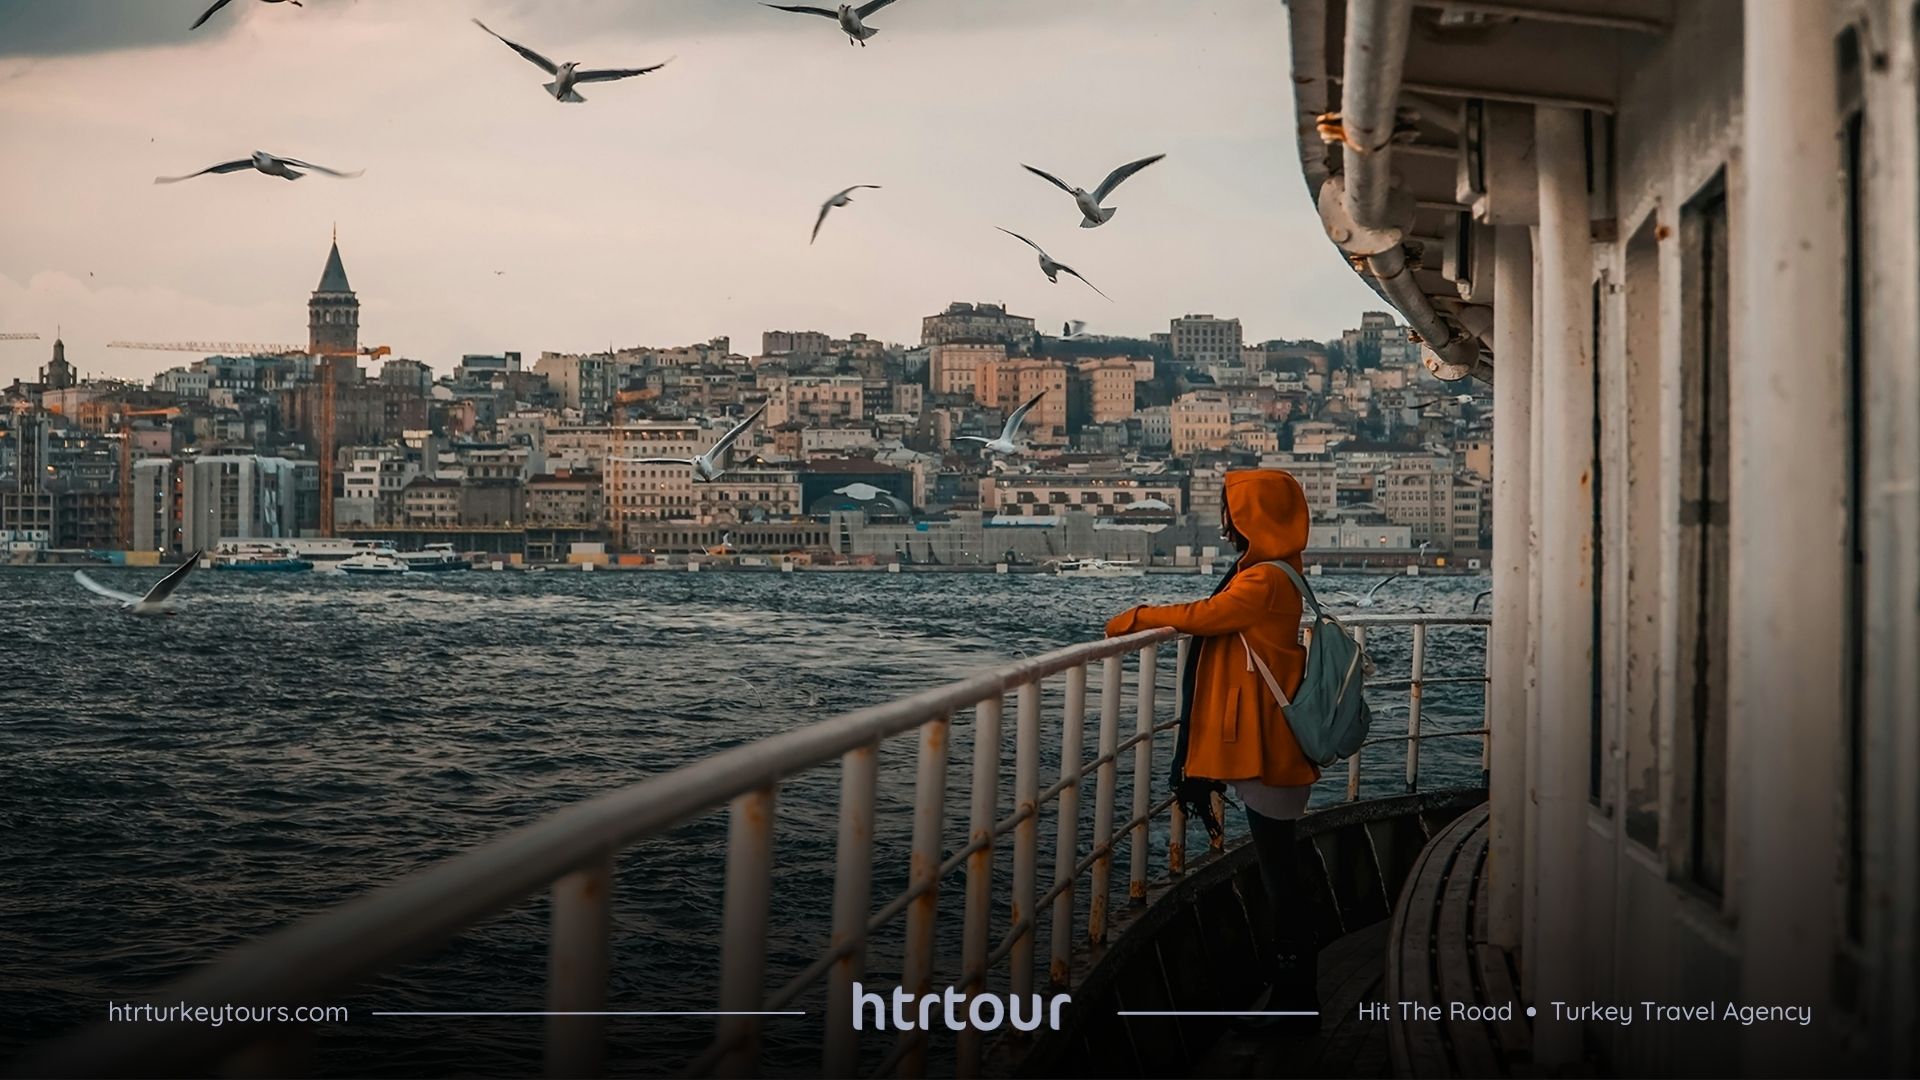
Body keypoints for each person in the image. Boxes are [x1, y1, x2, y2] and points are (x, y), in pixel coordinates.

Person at [1103, 468, 1319, 1032]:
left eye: (1231, 509)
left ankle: (1297, 1000)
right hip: (1274, 742)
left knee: (1281, 877)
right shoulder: (1279, 570)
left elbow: (1205, 616)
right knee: (1281, 868)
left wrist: (1138, 615)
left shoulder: (1262, 580)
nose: (1224, 521)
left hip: (1269, 747)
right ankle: (1293, 991)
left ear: (1252, 516)